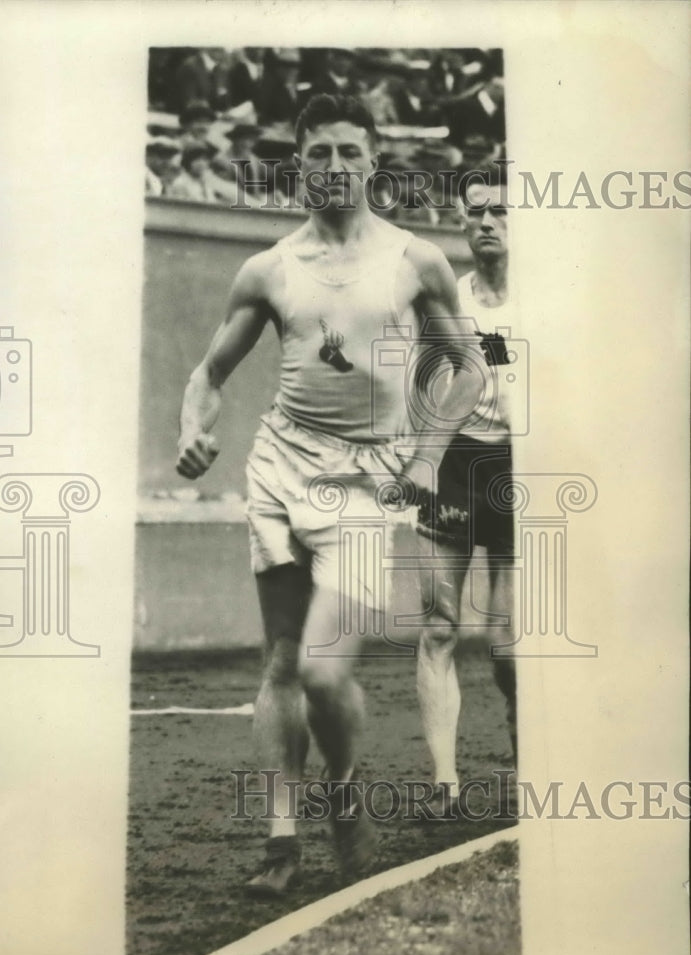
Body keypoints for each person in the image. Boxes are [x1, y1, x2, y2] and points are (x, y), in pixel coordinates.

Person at [176, 94, 487, 896]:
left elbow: (468, 370)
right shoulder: (269, 269)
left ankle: (344, 791)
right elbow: (208, 375)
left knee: (321, 671)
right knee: (281, 659)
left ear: (374, 159)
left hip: (365, 477)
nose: (335, 167)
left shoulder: (415, 261)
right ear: (299, 161)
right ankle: (281, 843)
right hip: (280, 465)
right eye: (320, 153)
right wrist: (193, 429)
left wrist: (425, 457)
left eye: (350, 151)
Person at [414, 176, 517, 810]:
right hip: (455, 464)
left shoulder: (552, 295)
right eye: (473, 212)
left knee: (509, 648)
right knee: (438, 629)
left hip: (519, 467)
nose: (486, 222)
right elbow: (430, 384)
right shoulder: (446, 298)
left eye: (500, 210)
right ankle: (445, 782)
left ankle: (528, 751)